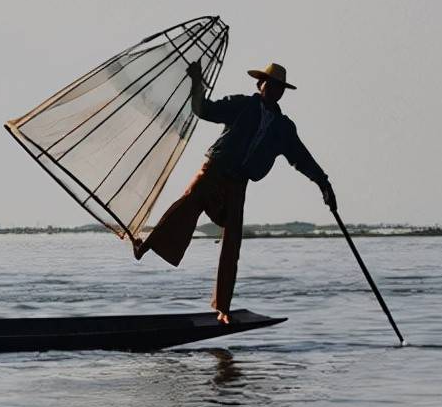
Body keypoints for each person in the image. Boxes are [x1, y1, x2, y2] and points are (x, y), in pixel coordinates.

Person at [133, 61, 335, 324]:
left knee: (233, 239)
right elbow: (203, 109)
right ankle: (145, 246)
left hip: (238, 183)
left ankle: (223, 309)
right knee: (188, 203)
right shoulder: (242, 105)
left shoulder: (283, 128)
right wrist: (197, 82)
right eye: (270, 85)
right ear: (260, 85)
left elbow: (302, 159)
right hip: (214, 170)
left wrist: (324, 184)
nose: (274, 90)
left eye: (279, 88)